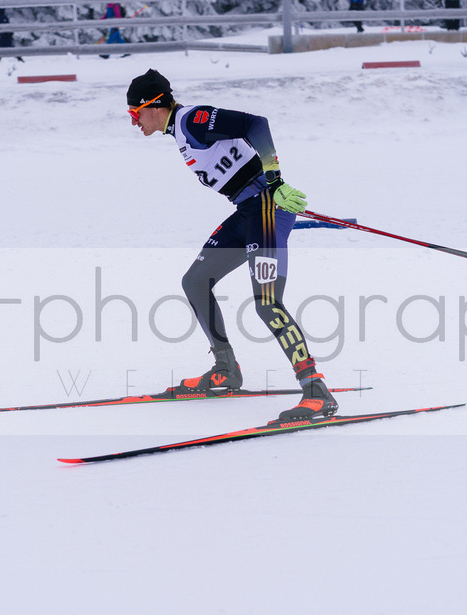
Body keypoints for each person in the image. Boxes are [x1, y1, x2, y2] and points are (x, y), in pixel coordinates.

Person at [126, 69, 338, 422]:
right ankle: (225, 370)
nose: (134, 122)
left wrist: (275, 180)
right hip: (247, 212)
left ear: (155, 105)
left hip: (269, 206)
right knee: (195, 281)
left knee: (267, 303)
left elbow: (256, 124)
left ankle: (316, 390)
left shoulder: (192, 119)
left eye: (135, 113)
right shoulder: (180, 132)